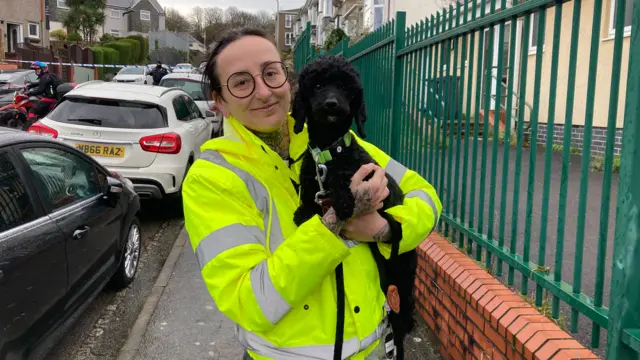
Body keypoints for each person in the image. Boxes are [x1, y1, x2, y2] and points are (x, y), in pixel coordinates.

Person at [182, 28, 442, 360]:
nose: (263, 92)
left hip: (378, 348)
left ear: (288, 82)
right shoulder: (212, 177)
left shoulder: (333, 139)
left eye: (271, 73)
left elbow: (426, 197)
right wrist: (337, 220)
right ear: (220, 102)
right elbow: (250, 302)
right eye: (242, 82)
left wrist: (385, 229)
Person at [25, 61, 61, 127]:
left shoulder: (44, 77)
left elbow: (40, 90)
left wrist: (29, 93)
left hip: (49, 99)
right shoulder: (49, 76)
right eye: (35, 70)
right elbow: (42, 83)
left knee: (32, 110)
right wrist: (31, 85)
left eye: (38, 69)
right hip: (55, 99)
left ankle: (27, 128)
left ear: (43, 69)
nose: (36, 71)